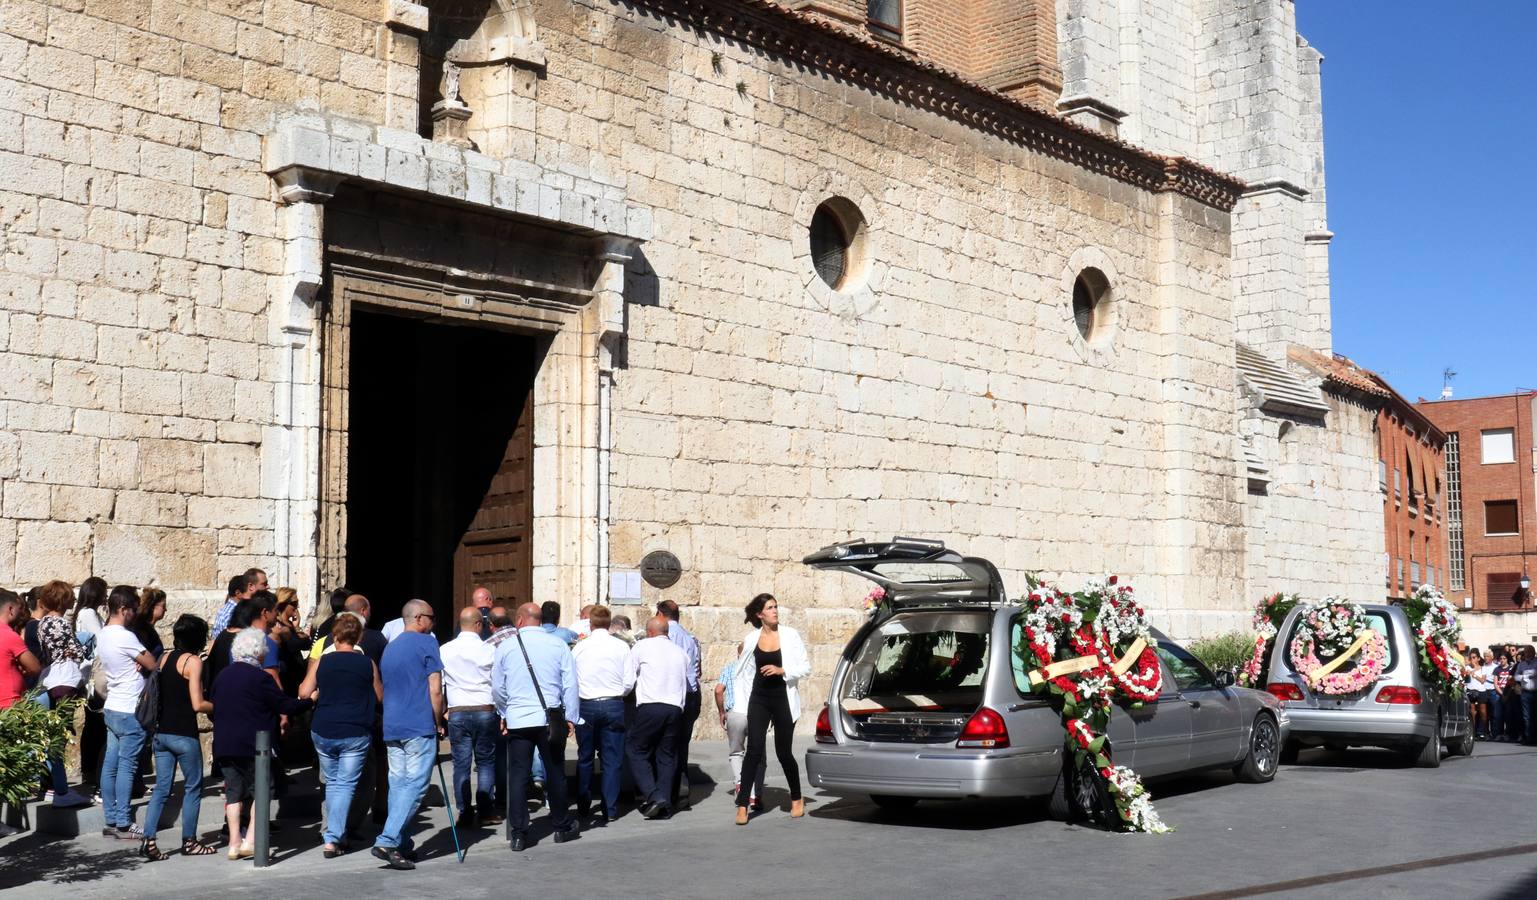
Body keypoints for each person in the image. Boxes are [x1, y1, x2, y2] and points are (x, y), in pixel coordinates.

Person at [210, 628, 312, 859]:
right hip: (254, 746)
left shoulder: (223, 676)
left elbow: (215, 707)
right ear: (258, 652)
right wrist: (308, 702)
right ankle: (251, 841)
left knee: (234, 794)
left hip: (225, 745)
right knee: (261, 793)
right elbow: (284, 705)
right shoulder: (261, 678)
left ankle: (234, 842)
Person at [492, 602, 580, 851]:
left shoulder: (507, 646)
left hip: (519, 719)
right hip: (549, 719)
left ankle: (519, 833)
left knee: (519, 775)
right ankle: (561, 826)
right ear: (540, 620)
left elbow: (497, 687)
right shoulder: (558, 645)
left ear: (519, 620)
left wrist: (504, 712)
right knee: (555, 772)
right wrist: (571, 716)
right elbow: (571, 684)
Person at [298, 612, 381, 858]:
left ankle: (334, 834)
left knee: (333, 783)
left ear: (335, 636)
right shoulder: (367, 663)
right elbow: (379, 696)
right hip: (354, 730)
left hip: (323, 729)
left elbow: (304, 691)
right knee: (345, 784)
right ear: (359, 637)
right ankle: (333, 838)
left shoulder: (323, 661)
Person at [373, 599, 444, 870]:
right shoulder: (427, 643)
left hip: (393, 724)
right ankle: (389, 839)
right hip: (417, 723)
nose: (434, 623)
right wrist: (438, 721)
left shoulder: (390, 648)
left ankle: (400, 843)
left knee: (399, 785)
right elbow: (435, 689)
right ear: (418, 618)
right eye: (432, 617)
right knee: (415, 787)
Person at [140, 615, 217, 860]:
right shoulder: (193, 662)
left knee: (162, 789)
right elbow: (197, 703)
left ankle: (149, 839)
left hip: (161, 734)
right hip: (184, 734)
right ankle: (190, 842)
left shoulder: (164, 658)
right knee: (194, 787)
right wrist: (219, 706)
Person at [732, 593, 811, 825]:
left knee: (783, 752)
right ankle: (743, 804)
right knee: (754, 750)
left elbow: (806, 667)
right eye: (770, 608)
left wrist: (782, 670)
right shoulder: (751, 639)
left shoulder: (790, 635)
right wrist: (738, 702)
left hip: (783, 699)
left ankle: (797, 798)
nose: (775, 611)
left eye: (776, 606)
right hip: (759, 698)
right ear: (760, 614)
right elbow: (742, 671)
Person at [97, 586, 158, 839]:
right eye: (133, 609)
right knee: (127, 766)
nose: (135, 614)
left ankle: (111, 818)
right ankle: (123, 822)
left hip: (112, 706)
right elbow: (153, 664)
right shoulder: (125, 637)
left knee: (111, 765)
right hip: (130, 709)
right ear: (123, 609)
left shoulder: (103, 634)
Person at [34, 580, 93, 808]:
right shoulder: (59, 623)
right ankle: (61, 790)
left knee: (53, 736)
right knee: (59, 737)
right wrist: (81, 649)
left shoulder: (43, 622)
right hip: (65, 682)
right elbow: (75, 651)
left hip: (51, 681)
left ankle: (58, 787)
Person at [623, 615, 687, 820]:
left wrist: (622, 695)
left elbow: (628, 680)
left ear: (650, 632)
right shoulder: (680, 651)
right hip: (675, 708)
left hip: (651, 706)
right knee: (666, 755)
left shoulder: (642, 647)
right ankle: (665, 805)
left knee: (635, 749)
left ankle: (654, 795)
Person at [441, 606, 499, 827]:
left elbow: (440, 683)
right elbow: (497, 682)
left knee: (461, 764)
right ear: (478, 625)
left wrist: (443, 711)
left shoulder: (445, 649)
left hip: (458, 711)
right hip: (484, 709)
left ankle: (464, 812)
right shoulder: (489, 649)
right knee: (485, 762)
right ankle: (485, 811)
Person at [571, 605, 628, 825]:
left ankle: (584, 803)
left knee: (585, 756)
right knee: (612, 760)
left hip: (587, 705)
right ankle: (610, 809)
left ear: (591, 624)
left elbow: (572, 680)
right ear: (608, 623)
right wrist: (616, 693)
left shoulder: (580, 648)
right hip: (613, 703)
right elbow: (629, 680)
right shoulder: (621, 647)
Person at [656, 599, 702, 809]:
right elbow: (696, 669)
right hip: (692, 694)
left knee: (666, 745)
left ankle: (666, 791)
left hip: (672, 695)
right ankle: (681, 789)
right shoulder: (689, 637)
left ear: (660, 614)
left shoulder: (664, 637)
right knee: (681, 744)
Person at [74, 576, 109, 796]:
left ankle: (91, 769)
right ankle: (91, 769)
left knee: (94, 724)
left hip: (93, 673)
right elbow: (101, 638)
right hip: (92, 676)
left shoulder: (90, 613)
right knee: (95, 724)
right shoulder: (87, 614)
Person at [714, 657, 764, 805]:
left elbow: (718, 690)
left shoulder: (730, 667)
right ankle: (755, 795)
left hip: (735, 714)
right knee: (759, 756)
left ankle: (741, 784)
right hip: (757, 714)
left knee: (736, 752)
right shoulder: (760, 668)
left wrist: (722, 712)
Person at [0, 590, 41, 710]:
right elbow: (35, 667)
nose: (21, 614)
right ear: (11, 610)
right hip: (10, 705)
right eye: (19, 609)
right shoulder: (9, 635)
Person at [132, 588, 168, 659]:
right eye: (163, 606)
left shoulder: (149, 628)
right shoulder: (143, 630)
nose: (165, 609)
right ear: (152, 607)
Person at [1514, 647, 1537, 745]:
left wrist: (1530, 673)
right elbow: (1516, 676)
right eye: (1526, 652)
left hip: (1536, 692)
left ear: (1533, 652)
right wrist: (1523, 676)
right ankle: (1528, 738)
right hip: (1525, 693)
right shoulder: (1521, 664)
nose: (1527, 654)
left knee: (1535, 716)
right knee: (1526, 716)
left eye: (1529, 652)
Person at [1466, 650, 1490, 739]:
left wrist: (1474, 674)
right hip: (1470, 690)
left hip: (1481, 691)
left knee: (1483, 712)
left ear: (1478, 658)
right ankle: (1473, 732)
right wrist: (1468, 673)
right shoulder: (1467, 667)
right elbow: (1465, 679)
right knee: (1472, 713)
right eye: (1471, 657)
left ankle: (1483, 731)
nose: (1472, 659)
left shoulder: (1483, 668)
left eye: (1474, 657)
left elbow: (1483, 680)